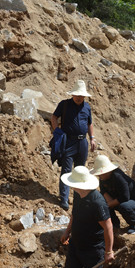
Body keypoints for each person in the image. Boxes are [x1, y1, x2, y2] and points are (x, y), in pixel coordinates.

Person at [52, 166, 115, 268]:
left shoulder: (97, 202)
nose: (71, 186)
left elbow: (108, 226)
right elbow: (75, 214)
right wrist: (67, 232)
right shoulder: (79, 195)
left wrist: (109, 251)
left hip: (93, 249)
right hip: (75, 244)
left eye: (73, 183)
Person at [51, 80, 97, 211]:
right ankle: (64, 199)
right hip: (69, 142)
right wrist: (56, 131)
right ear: (72, 95)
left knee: (81, 171)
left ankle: (79, 199)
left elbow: (90, 123)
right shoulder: (64, 104)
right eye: (76, 95)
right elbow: (54, 117)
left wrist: (92, 138)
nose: (78, 97)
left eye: (81, 95)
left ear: (84, 96)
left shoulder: (87, 107)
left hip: (83, 142)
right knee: (66, 170)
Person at [90, 155, 135, 235]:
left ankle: (133, 224)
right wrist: (107, 204)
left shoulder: (118, 177)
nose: (99, 176)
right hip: (119, 200)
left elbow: (125, 197)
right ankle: (114, 225)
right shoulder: (103, 178)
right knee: (102, 204)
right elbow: (103, 191)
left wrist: (109, 204)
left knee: (123, 206)